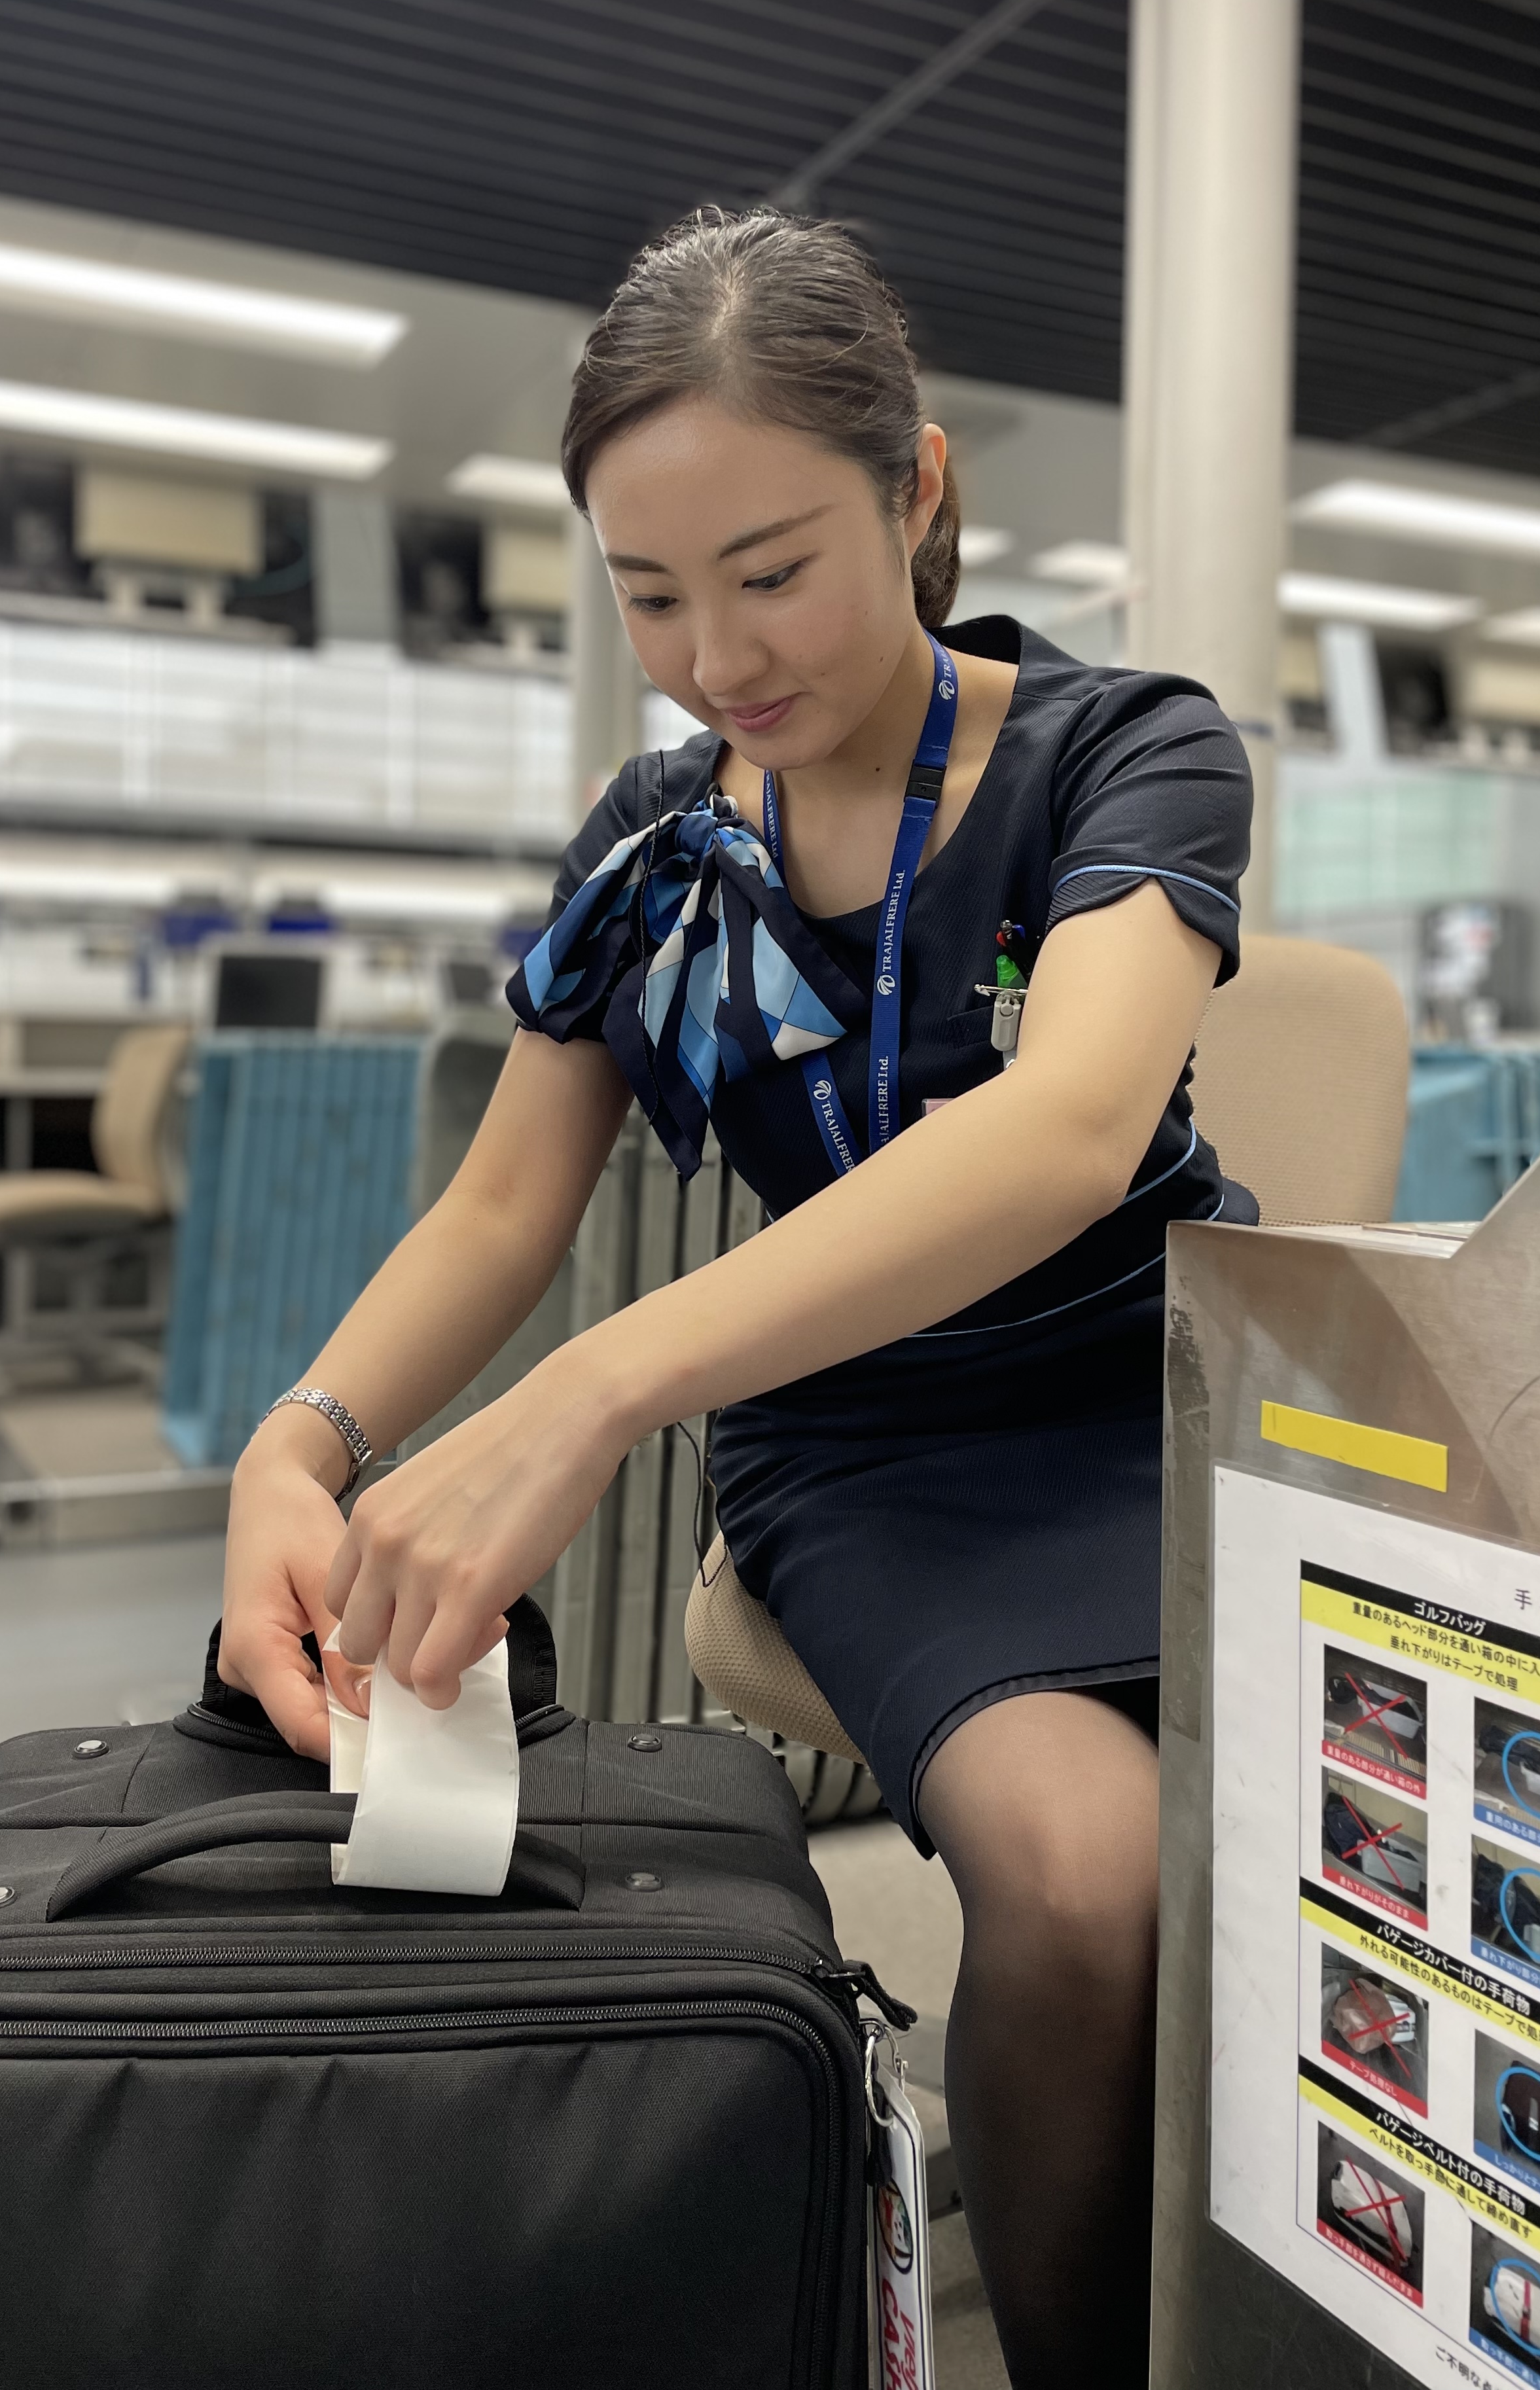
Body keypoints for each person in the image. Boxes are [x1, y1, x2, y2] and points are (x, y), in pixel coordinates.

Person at [221, 208, 1253, 2386]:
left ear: (921, 488)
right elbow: (504, 1211)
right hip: (873, 1448)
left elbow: (1072, 1129)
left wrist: (591, 1400)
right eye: (649, 592)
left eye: (772, 569)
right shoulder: (654, 846)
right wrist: (296, 1444)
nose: (716, 653)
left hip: (1177, 1405)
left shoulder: (1121, 755)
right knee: (1085, 1876)